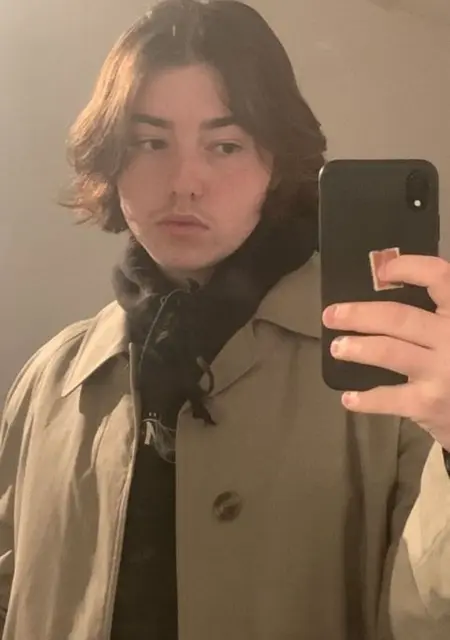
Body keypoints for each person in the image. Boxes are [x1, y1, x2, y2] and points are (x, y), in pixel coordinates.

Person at [0, 0, 449, 638]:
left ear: (278, 164)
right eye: (150, 142)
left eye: (226, 145)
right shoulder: (50, 382)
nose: (185, 181)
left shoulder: (395, 377)